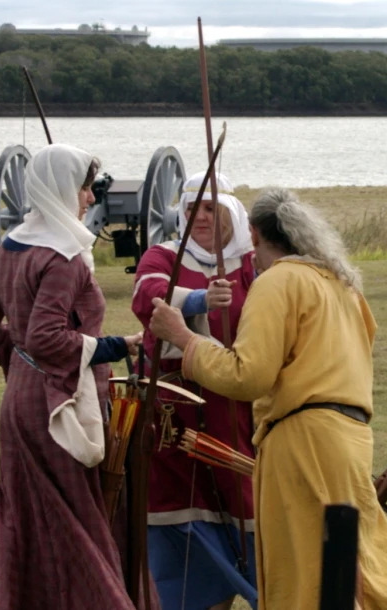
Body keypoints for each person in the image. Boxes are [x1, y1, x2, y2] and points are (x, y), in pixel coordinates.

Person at [147, 188, 387, 610]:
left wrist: (183, 338)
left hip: (304, 443)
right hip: (350, 439)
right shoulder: (340, 283)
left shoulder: (279, 280)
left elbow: (248, 374)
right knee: (343, 561)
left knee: (308, 568)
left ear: (253, 236)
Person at [0, 143, 151, 609]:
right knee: (76, 523)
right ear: (63, 187)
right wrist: (111, 346)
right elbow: (47, 337)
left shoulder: (9, 248)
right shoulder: (62, 257)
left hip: (20, 403)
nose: (90, 198)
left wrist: (22, 366)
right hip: (61, 408)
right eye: (85, 187)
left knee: (32, 521)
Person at [131, 171, 258, 610]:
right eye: (191, 208)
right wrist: (202, 298)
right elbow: (148, 296)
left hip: (236, 415)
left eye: (210, 208)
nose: (199, 217)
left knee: (246, 519)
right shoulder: (163, 254)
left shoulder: (251, 263)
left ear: (230, 213)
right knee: (184, 535)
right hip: (176, 419)